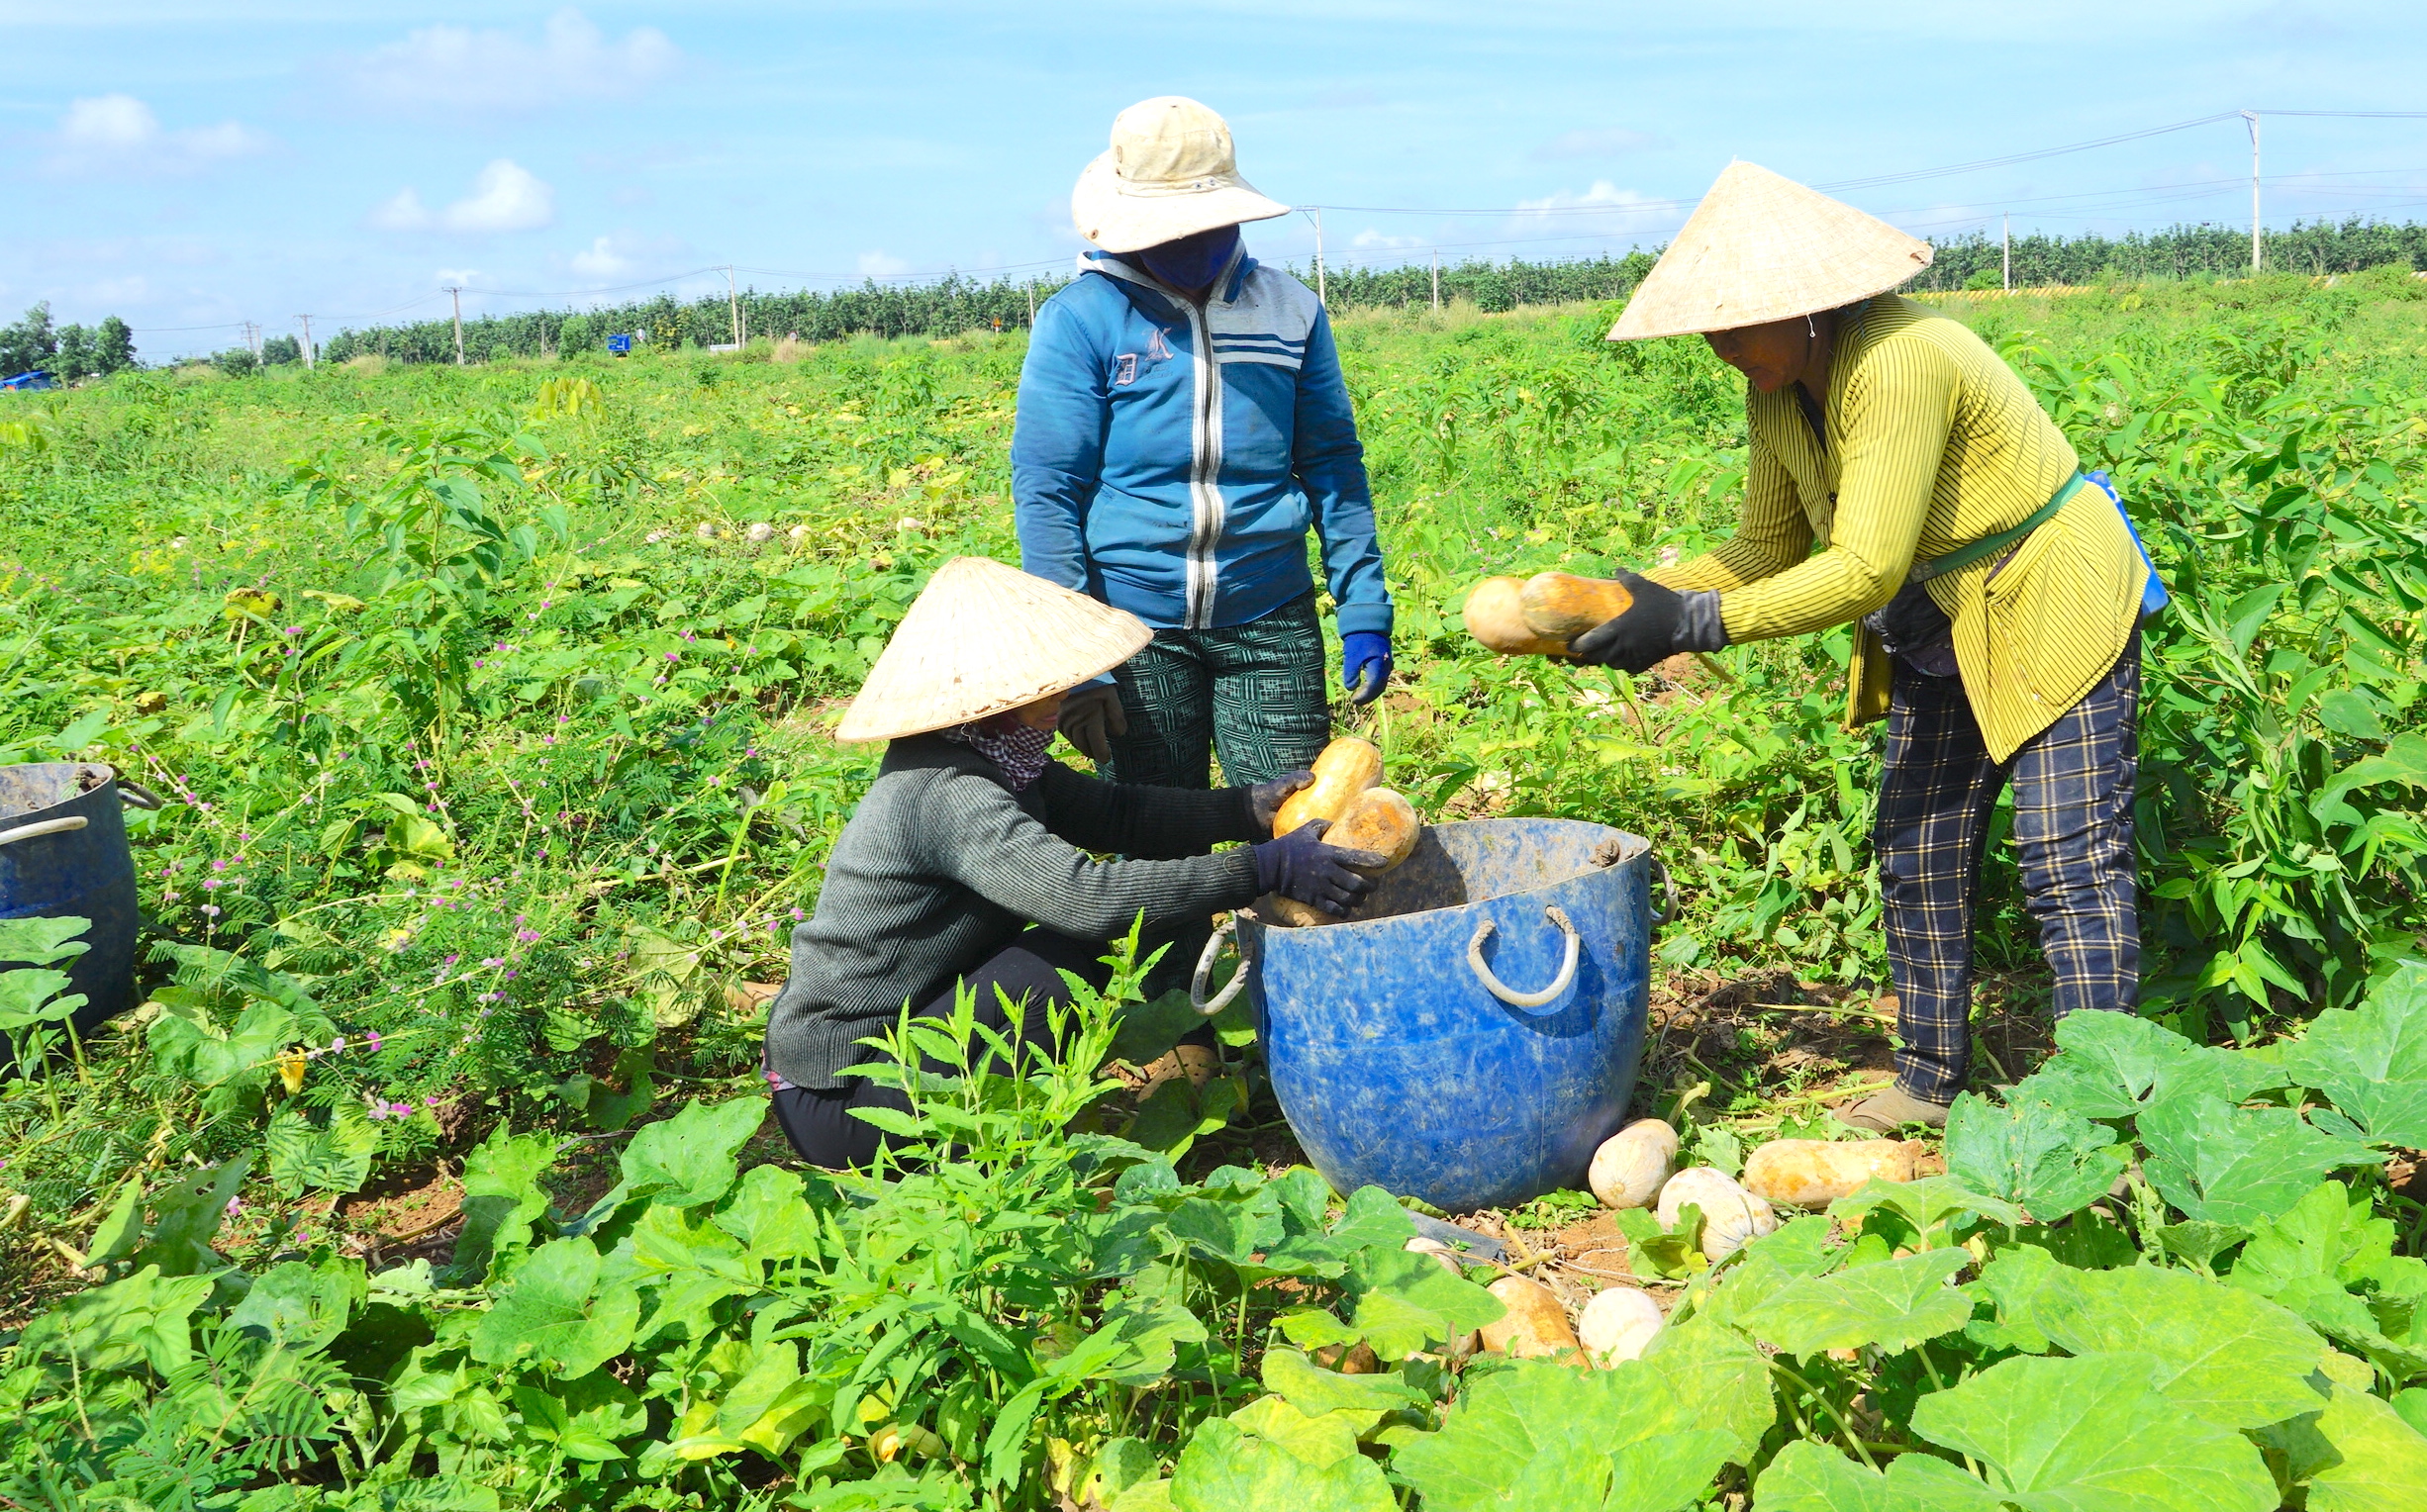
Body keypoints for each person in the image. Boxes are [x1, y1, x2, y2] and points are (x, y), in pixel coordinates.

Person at [1583, 163, 2160, 1132]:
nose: (1722, 347)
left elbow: (1861, 569)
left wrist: (1694, 626)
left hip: (2051, 590)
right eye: (1709, 329)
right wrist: (1631, 597)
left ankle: (2106, 1118)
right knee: (1916, 848)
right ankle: (1928, 1081)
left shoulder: (1895, 359)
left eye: (1738, 323)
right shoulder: (1778, 386)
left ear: (1807, 304)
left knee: (2066, 860)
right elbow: (1766, 546)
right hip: (1940, 618)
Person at [761, 556, 1382, 1170]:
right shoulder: (947, 788)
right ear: (996, 698)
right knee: (1061, 966)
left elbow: (1118, 815)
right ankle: (967, 1152)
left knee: (1100, 939)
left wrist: (1244, 808)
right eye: (1046, 683)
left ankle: (1006, 1120)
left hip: (895, 1044)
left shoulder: (997, 757)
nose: (1059, 695)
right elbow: (1090, 901)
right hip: (845, 1098)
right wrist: (1263, 867)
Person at [1013, 95, 1394, 791]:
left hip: (1269, 615)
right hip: (1131, 626)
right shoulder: (1083, 319)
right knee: (1158, 844)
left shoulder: (1289, 311)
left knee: (1292, 831)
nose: (1188, 241)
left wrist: (1364, 607)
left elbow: (1334, 464)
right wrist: (1080, 661)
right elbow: (1049, 489)